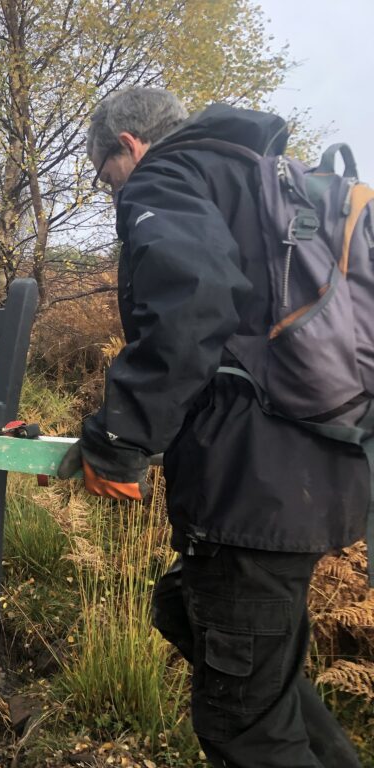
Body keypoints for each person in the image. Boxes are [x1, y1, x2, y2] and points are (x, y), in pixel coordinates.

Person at [60, 88, 366, 767]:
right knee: (190, 613)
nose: (113, 191)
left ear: (129, 145)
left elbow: (192, 304)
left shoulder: (167, 175)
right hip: (318, 472)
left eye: (106, 176)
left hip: (251, 488)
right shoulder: (256, 181)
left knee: (243, 728)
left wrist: (120, 439)